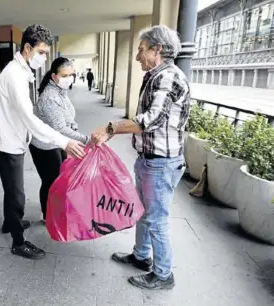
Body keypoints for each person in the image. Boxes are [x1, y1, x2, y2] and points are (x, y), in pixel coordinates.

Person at [91, 25, 190, 290]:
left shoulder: (168, 77)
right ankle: (141, 256)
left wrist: (112, 128)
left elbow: (151, 120)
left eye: (141, 49)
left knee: (156, 218)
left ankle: (163, 274)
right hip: (150, 160)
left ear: (157, 49)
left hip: (161, 163)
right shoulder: (155, 75)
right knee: (145, 213)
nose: (137, 56)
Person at [0, 24, 86, 260]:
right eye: (42, 52)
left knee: (11, 190)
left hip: (14, 140)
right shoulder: (14, 76)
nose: (44, 58)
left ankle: (9, 223)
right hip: (8, 143)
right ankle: (17, 242)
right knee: (17, 194)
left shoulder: (21, 72)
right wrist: (63, 142)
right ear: (27, 48)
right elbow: (30, 119)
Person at [29, 57, 89, 223]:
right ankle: (48, 216)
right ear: (54, 76)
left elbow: (68, 118)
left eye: (71, 75)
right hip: (44, 145)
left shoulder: (61, 92)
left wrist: (75, 128)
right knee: (50, 181)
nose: (69, 79)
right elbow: (60, 128)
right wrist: (86, 139)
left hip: (58, 142)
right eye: (64, 75)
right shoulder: (50, 97)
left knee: (60, 178)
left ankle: (57, 208)